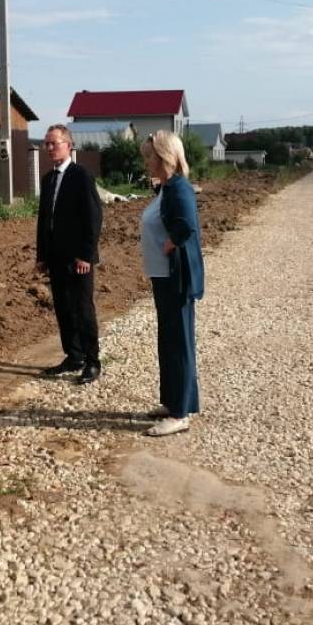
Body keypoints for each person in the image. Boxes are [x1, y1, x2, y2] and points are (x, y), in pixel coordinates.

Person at [139, 130, 204, 436]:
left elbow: (187, 224)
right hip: (162, 276)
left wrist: (171, 243)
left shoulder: (179, 187)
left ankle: (180, 413)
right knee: (168, 340)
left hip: (175, 277)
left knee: (179, 343)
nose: (146, 161)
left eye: (149, 156)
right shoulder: (165, 187)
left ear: (164, 156)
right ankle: (172, 401)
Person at [36, 124, 104, 384]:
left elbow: (93, 217)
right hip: (56, 257)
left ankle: (92, 361)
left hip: (78, 259)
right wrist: (42, 256)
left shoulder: (81, 176)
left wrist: (86, 254)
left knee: (82, 309)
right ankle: (74, 356)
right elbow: (44, 220)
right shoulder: (48, 179)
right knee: (63, 308)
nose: (49, 148)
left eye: (54, 143)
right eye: (47, 144)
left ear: (68, 145)